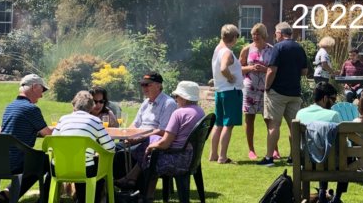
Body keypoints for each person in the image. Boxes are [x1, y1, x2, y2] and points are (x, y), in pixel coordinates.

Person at [116, 81, 206, 199]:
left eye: (177, 96)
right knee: (153, 140)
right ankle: (137, 185)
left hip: (176, 159)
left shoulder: (178, 113)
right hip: (191, 158)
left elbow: (165, 143)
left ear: (184, 98)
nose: (176, 99)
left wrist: (150, 147)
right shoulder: (200, 112)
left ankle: (140, 190)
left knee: (150, 151)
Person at [0, 74, 53, 202]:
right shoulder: (31, 109)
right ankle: (46, 199)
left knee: (38, 164)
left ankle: (6, 195)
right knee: (50, 163)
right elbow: (49, 134)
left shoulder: (10, 106)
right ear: (35, 86)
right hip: (18, 162)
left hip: (0, 160)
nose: (41, 96)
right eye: (41, 91)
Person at [258, 22, 308, 167]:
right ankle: (293, 157)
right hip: (295, 92)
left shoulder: (278, 47)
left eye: (275, 32)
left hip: (278, 92)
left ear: (280, 33)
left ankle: (269, 158)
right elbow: (304, 72)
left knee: (274, 124)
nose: (275, 35)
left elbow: (271, 70)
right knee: (293, 126)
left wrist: (267, 87)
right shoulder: (300, 48)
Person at [53, 91, 116, 203]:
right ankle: (91, 199)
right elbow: (110, 148)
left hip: (60, 168)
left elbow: (52, 143)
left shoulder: (63, 119)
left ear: (73, 106)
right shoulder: (96, 121)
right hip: (86, 169)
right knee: (98, 166)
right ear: (91, 107)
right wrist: (97, 151)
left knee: (83, 164)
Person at [295, 82, 344, 203]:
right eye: (333, 99)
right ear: (325, 98)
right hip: (330, 163)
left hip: (307, 162)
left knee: (321, 150)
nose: (334, 103)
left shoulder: (300, 114)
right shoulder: (333, 115)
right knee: (341, 157)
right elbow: (343, 143)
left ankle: (322, 193)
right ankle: (337, 197)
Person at [239, 23, 277, 160]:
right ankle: (251, 150)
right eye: (254, 34)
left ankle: (274, 149)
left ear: (264, 35)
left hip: (266, 87)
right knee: (250, 117)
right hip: (250, 87)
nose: (255, 36)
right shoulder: (246, 49)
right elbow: (238, 68)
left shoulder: (272, 49)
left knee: (269, 118)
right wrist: (249, 69)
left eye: (258, 34)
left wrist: (264, 69)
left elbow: (275, 68)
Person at [210, 24, 244, 165]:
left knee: (218, 124)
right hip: (230, 91)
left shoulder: (218, 49)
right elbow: (224, 68)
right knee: (228, 125)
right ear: (234, 37)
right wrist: (230, 78)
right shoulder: (227, 52)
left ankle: (213, 154)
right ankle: (222, 157)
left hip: (220, 91)